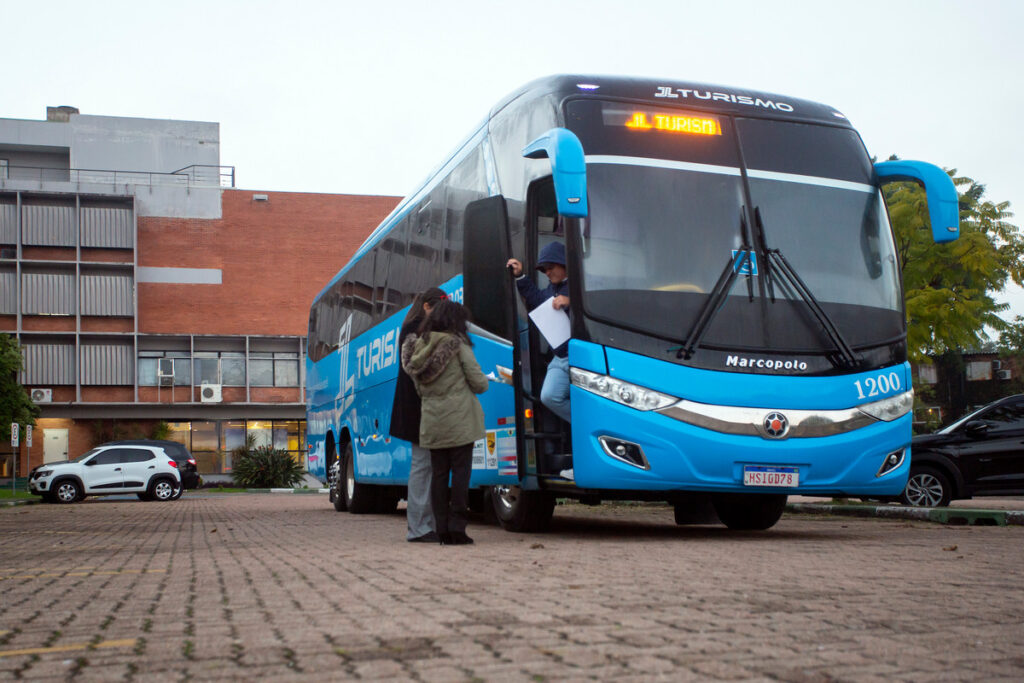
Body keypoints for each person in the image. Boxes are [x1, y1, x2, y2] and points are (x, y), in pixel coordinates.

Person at [401, 299, 489, 545]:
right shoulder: (457, 345)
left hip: (432, 422)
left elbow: (419, 389)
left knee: (438, 477)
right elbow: (479, 383)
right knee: (460, 476)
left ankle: (441, 530)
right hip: (460, 421)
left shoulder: (417, 348)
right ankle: (457, 529)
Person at [389, 287, 447, 543]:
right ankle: (419, 528)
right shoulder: (414, 330)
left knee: (428, 467)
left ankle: (426, 525)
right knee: (423, 467)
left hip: (421, 407)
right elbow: (419, 369)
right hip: (419, 408)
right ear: (427, 306)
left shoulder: (414, 329)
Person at [506, 241, 572, 424]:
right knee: (549, 396)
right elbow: (535, 298)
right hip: (560, 358)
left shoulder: (580, 286)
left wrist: (571, 301)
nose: (547, 273)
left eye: (550, 267)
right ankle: (585, 423)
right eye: (544, 270)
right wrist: (519, 276)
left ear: (564, 263)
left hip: (582, 356)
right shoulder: (551, 289)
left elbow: (596, 303)